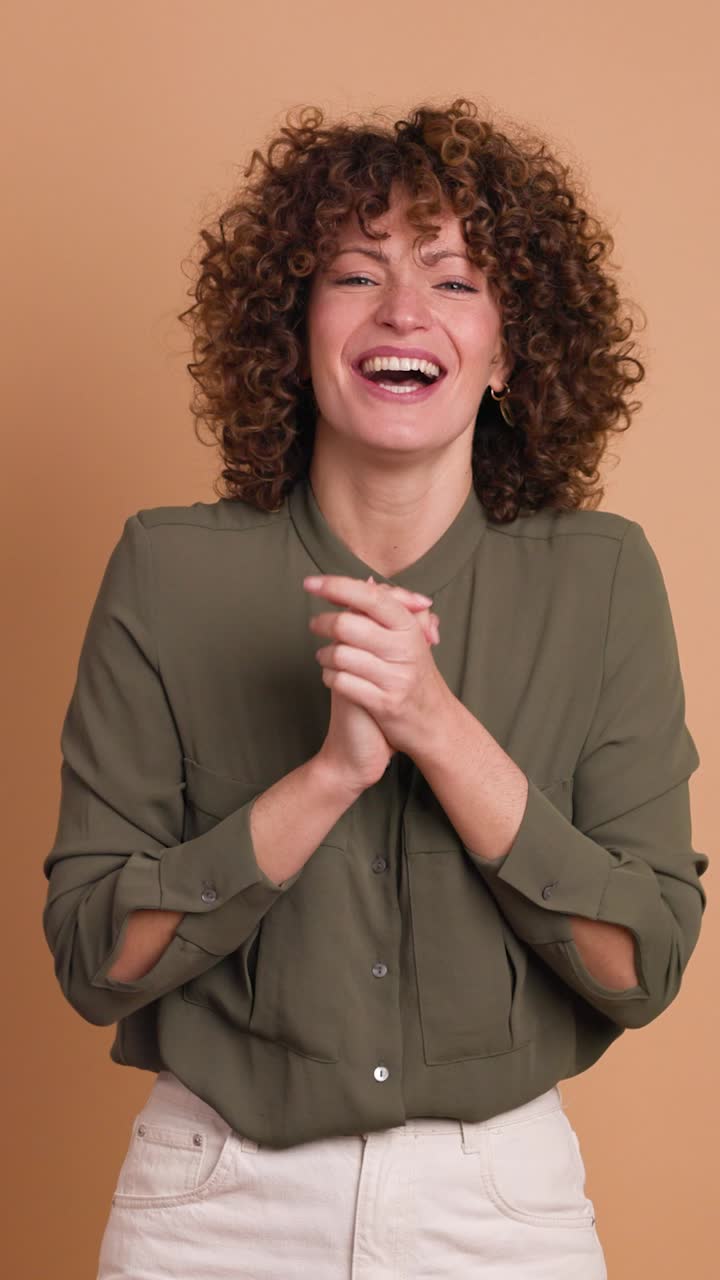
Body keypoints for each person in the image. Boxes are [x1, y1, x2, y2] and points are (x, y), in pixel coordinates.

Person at [42, 98, 708, 1279]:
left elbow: (642, 962)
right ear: (293, 329)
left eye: (454, 281)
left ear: (510, 350)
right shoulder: (166, 566)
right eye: (357, 274)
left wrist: (438, 730)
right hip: (213, 1204)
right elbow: (97, 960)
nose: (404, 311)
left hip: (498, 1210)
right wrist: (331, 774)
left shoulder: (603, 578)